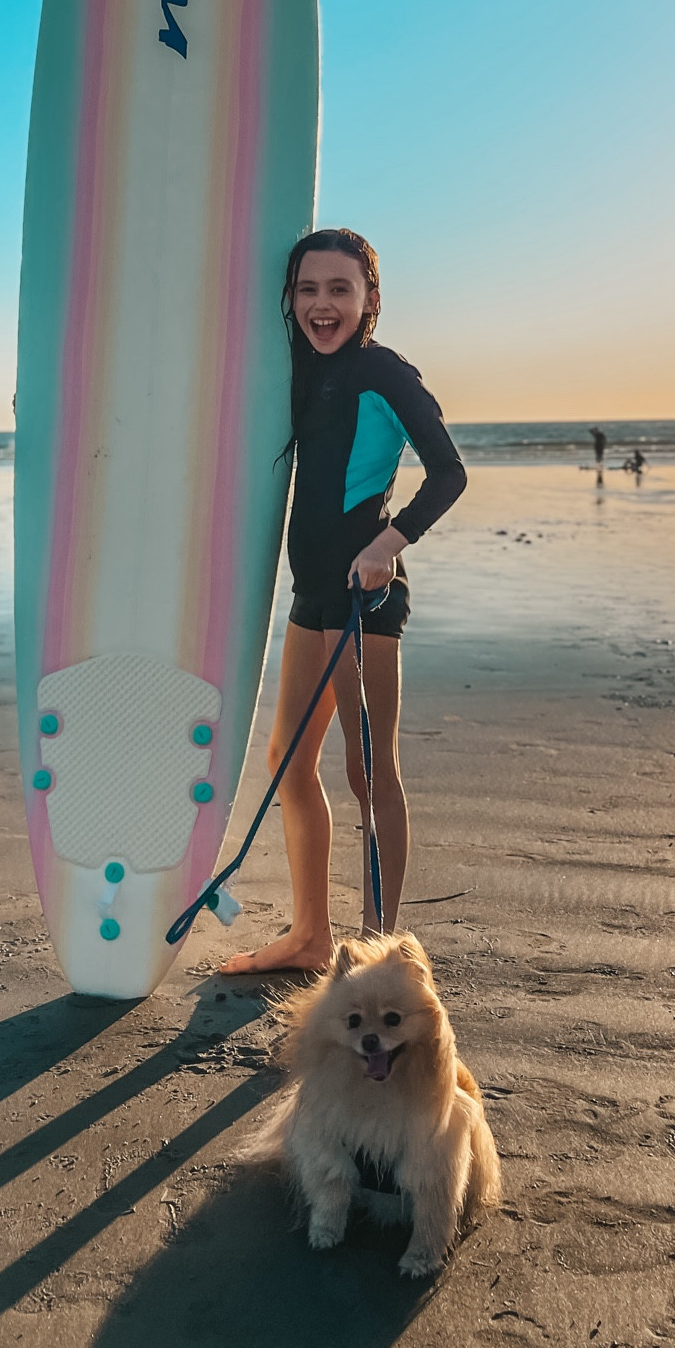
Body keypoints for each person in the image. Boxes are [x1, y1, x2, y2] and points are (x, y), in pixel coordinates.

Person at [220, 229, 467, 976]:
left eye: (340, 289)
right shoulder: (296, 371)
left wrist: (386, 546)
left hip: (365, 599)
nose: (322, 305)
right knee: (287, 764)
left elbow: (449, 474)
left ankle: (382, 950)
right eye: (307, 289)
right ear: (289, 300)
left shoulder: (383, 374)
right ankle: (310, 935)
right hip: (311, 595)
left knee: (368, 772)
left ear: (369, 300)